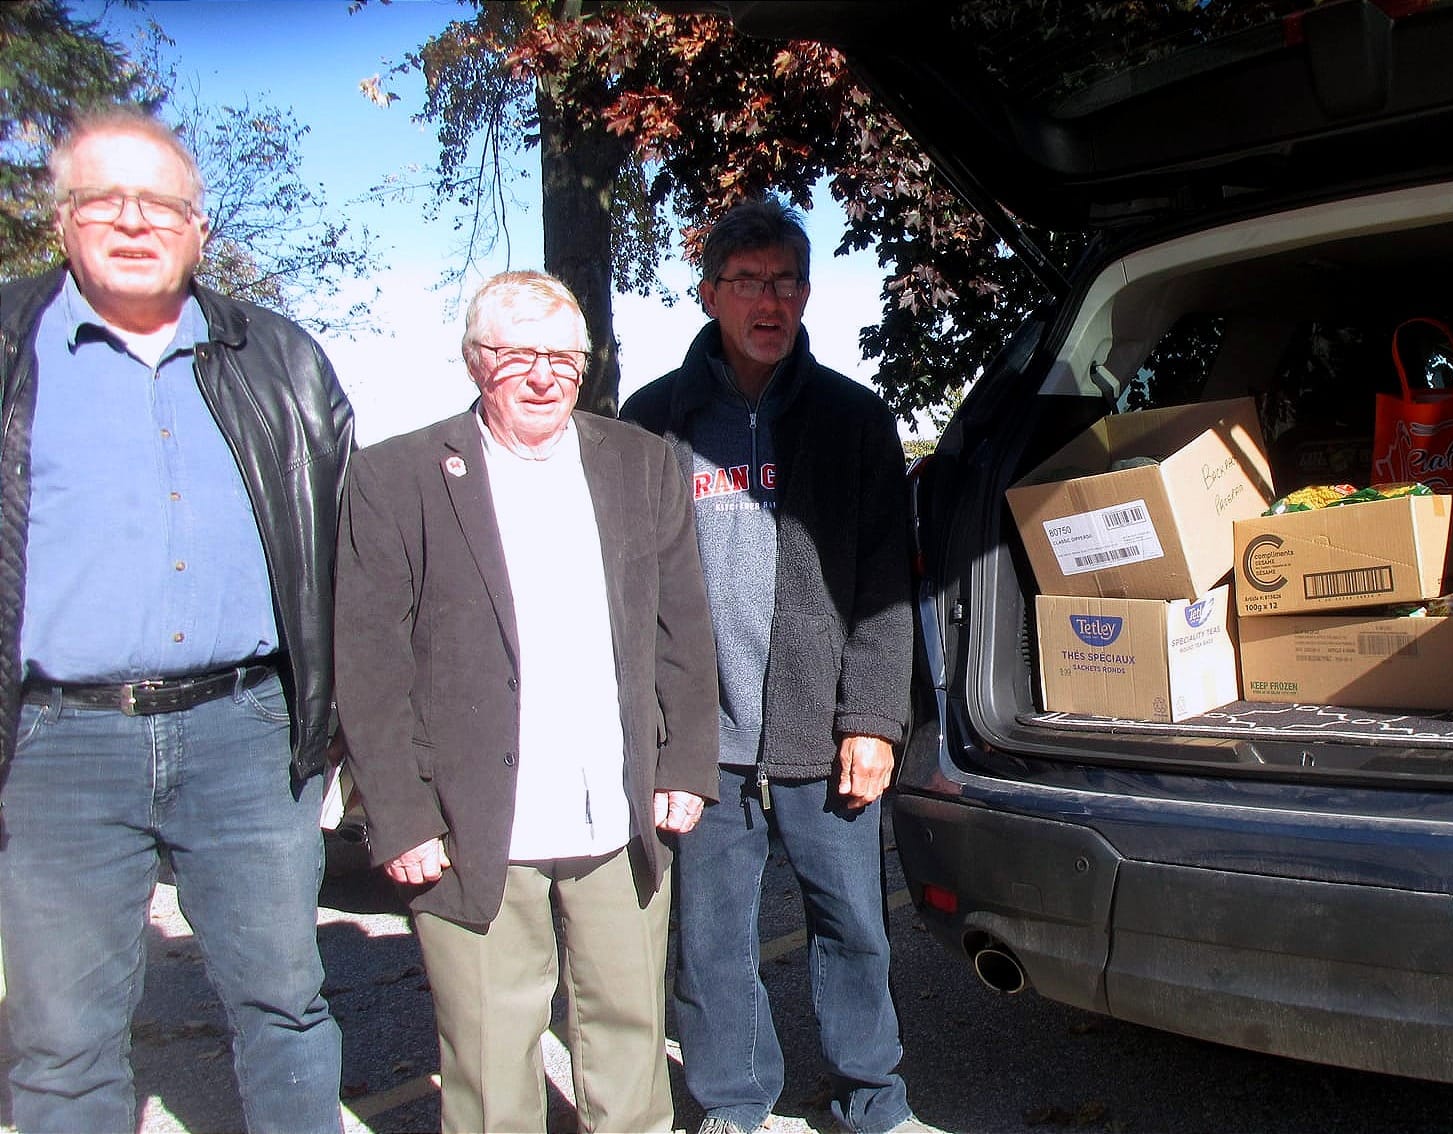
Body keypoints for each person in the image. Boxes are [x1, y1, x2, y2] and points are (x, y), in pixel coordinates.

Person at [0, 108, 350, 1132]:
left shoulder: (279, 359)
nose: (134, 221)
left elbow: (340, 544)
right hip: (56, 743)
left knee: (287, 1004)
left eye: (159, 202)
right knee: (63, 1038)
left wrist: (342, 722)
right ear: (59, 218)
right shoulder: (11, 352)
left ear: (198, 226)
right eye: (104, 198)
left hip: (244, 732)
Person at [335, 270, 720, 1134]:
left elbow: (682, 631)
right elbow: (369, 661)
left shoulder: (638, 462)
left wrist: (687, 763)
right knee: (488, 1054)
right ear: (477, 362)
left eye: (563, 358)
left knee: (627, 1034)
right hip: (472, 821)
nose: (543, 376)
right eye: (518, 356)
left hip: (617, 809)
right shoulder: (396, 478)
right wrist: (397, 815)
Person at [620, 198, 927, 1134]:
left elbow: (886, 578)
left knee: (854, 931)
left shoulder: (853, 418)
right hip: (702, 738)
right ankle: (732, 1101)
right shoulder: (652, 422)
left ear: (805, 293)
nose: (769, 300)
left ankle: (873, 1097)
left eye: (786, 281)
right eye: (747, 281)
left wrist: (874, 719)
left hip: (822, 729)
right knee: (711, 943)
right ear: (709, 293)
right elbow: (628, 584)